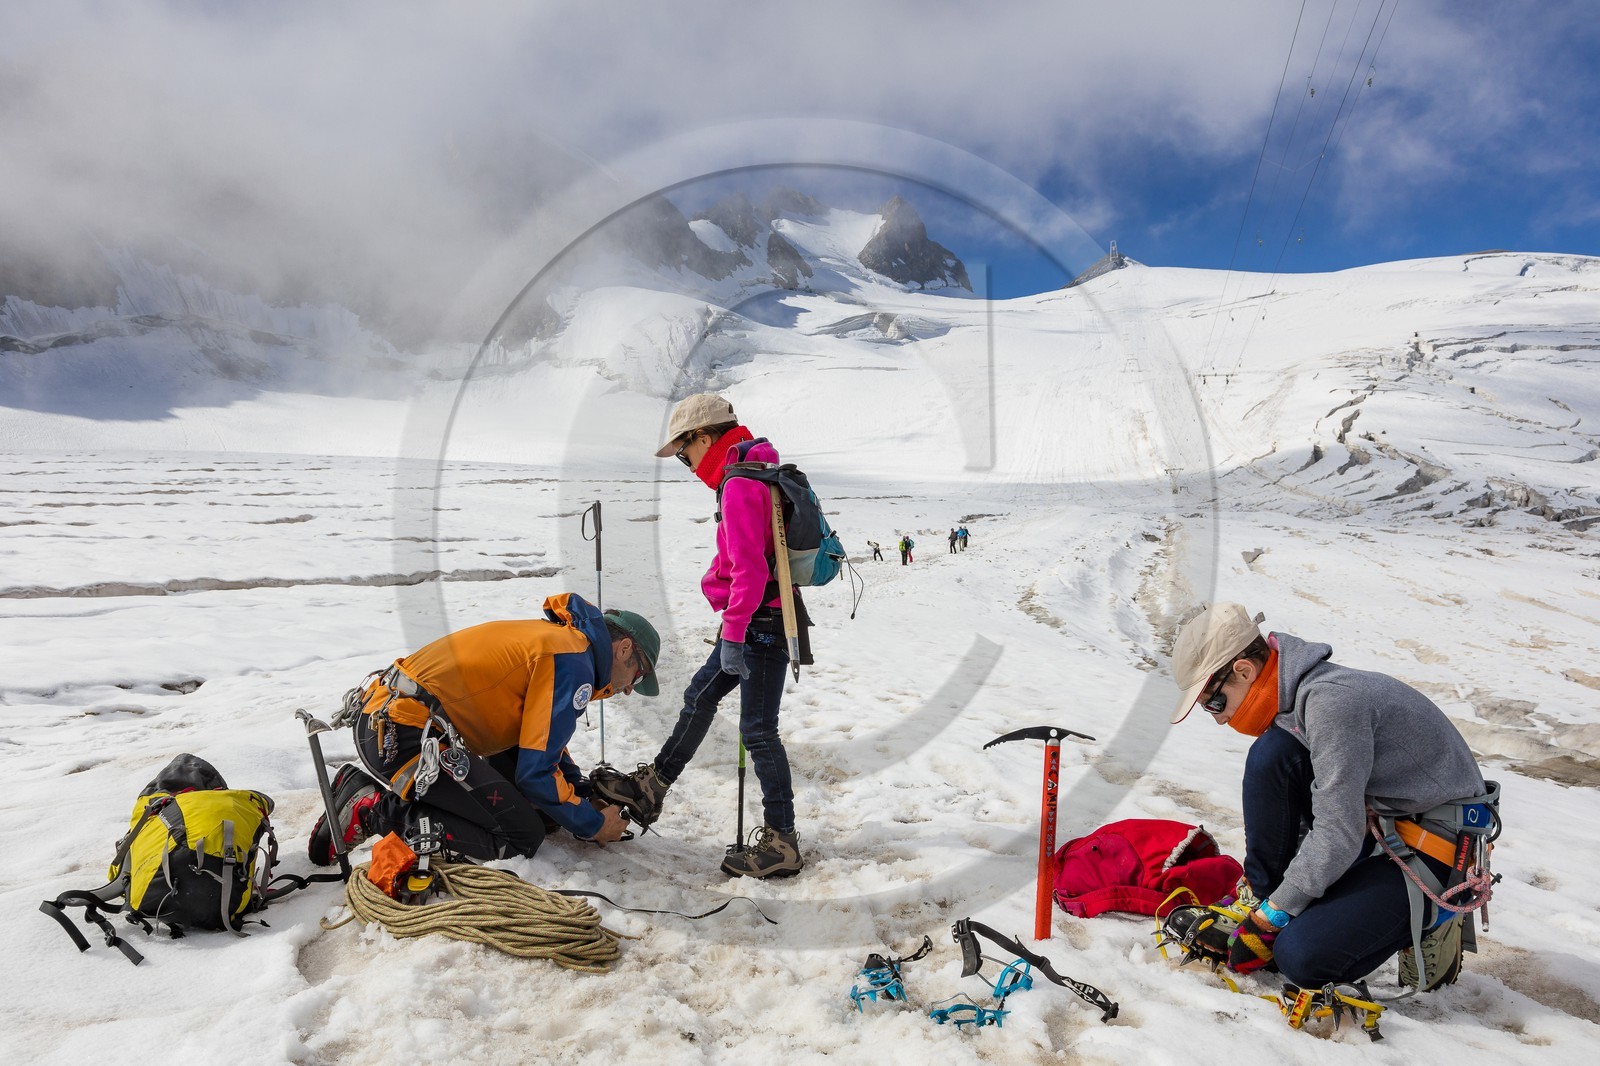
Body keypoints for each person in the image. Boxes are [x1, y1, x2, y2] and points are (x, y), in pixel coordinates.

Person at [1167, 602, 1491, 992]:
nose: (1218, 718)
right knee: (1274, 754)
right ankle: (1259, 895)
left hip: (1436, 852)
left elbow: (1338, 832)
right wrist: (1278, 898)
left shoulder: (1331, 702)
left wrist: (1273, 918)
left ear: (1245, 671)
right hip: (1380, 827)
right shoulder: (1297, 704)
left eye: (1213, 703)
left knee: (1300, 957)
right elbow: (1323, 811)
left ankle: (1434, 921)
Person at [592, 393, 807, 879]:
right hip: (759, 620)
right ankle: (655, 786)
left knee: (757, 730)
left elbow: (750, 572)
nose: (685, 465)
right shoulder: (754, 472)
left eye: (684, 452)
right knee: (700, 696)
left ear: (704, 437)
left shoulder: (739, 485)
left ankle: (783, 841)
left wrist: (732, 635)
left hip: (760, 624)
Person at [308, 593, 660, 865]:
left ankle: (372, 799)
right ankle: (372, 808)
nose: (630, 689)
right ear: (624, 648)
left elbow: (538, 741)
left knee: (539, 812)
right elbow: (536, 773)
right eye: (638, 675)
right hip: (403, 736)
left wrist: (579, 794)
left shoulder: (566, 643)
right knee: (520, 836)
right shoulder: (572, 661)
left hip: (392, 719)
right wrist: (593, 824)